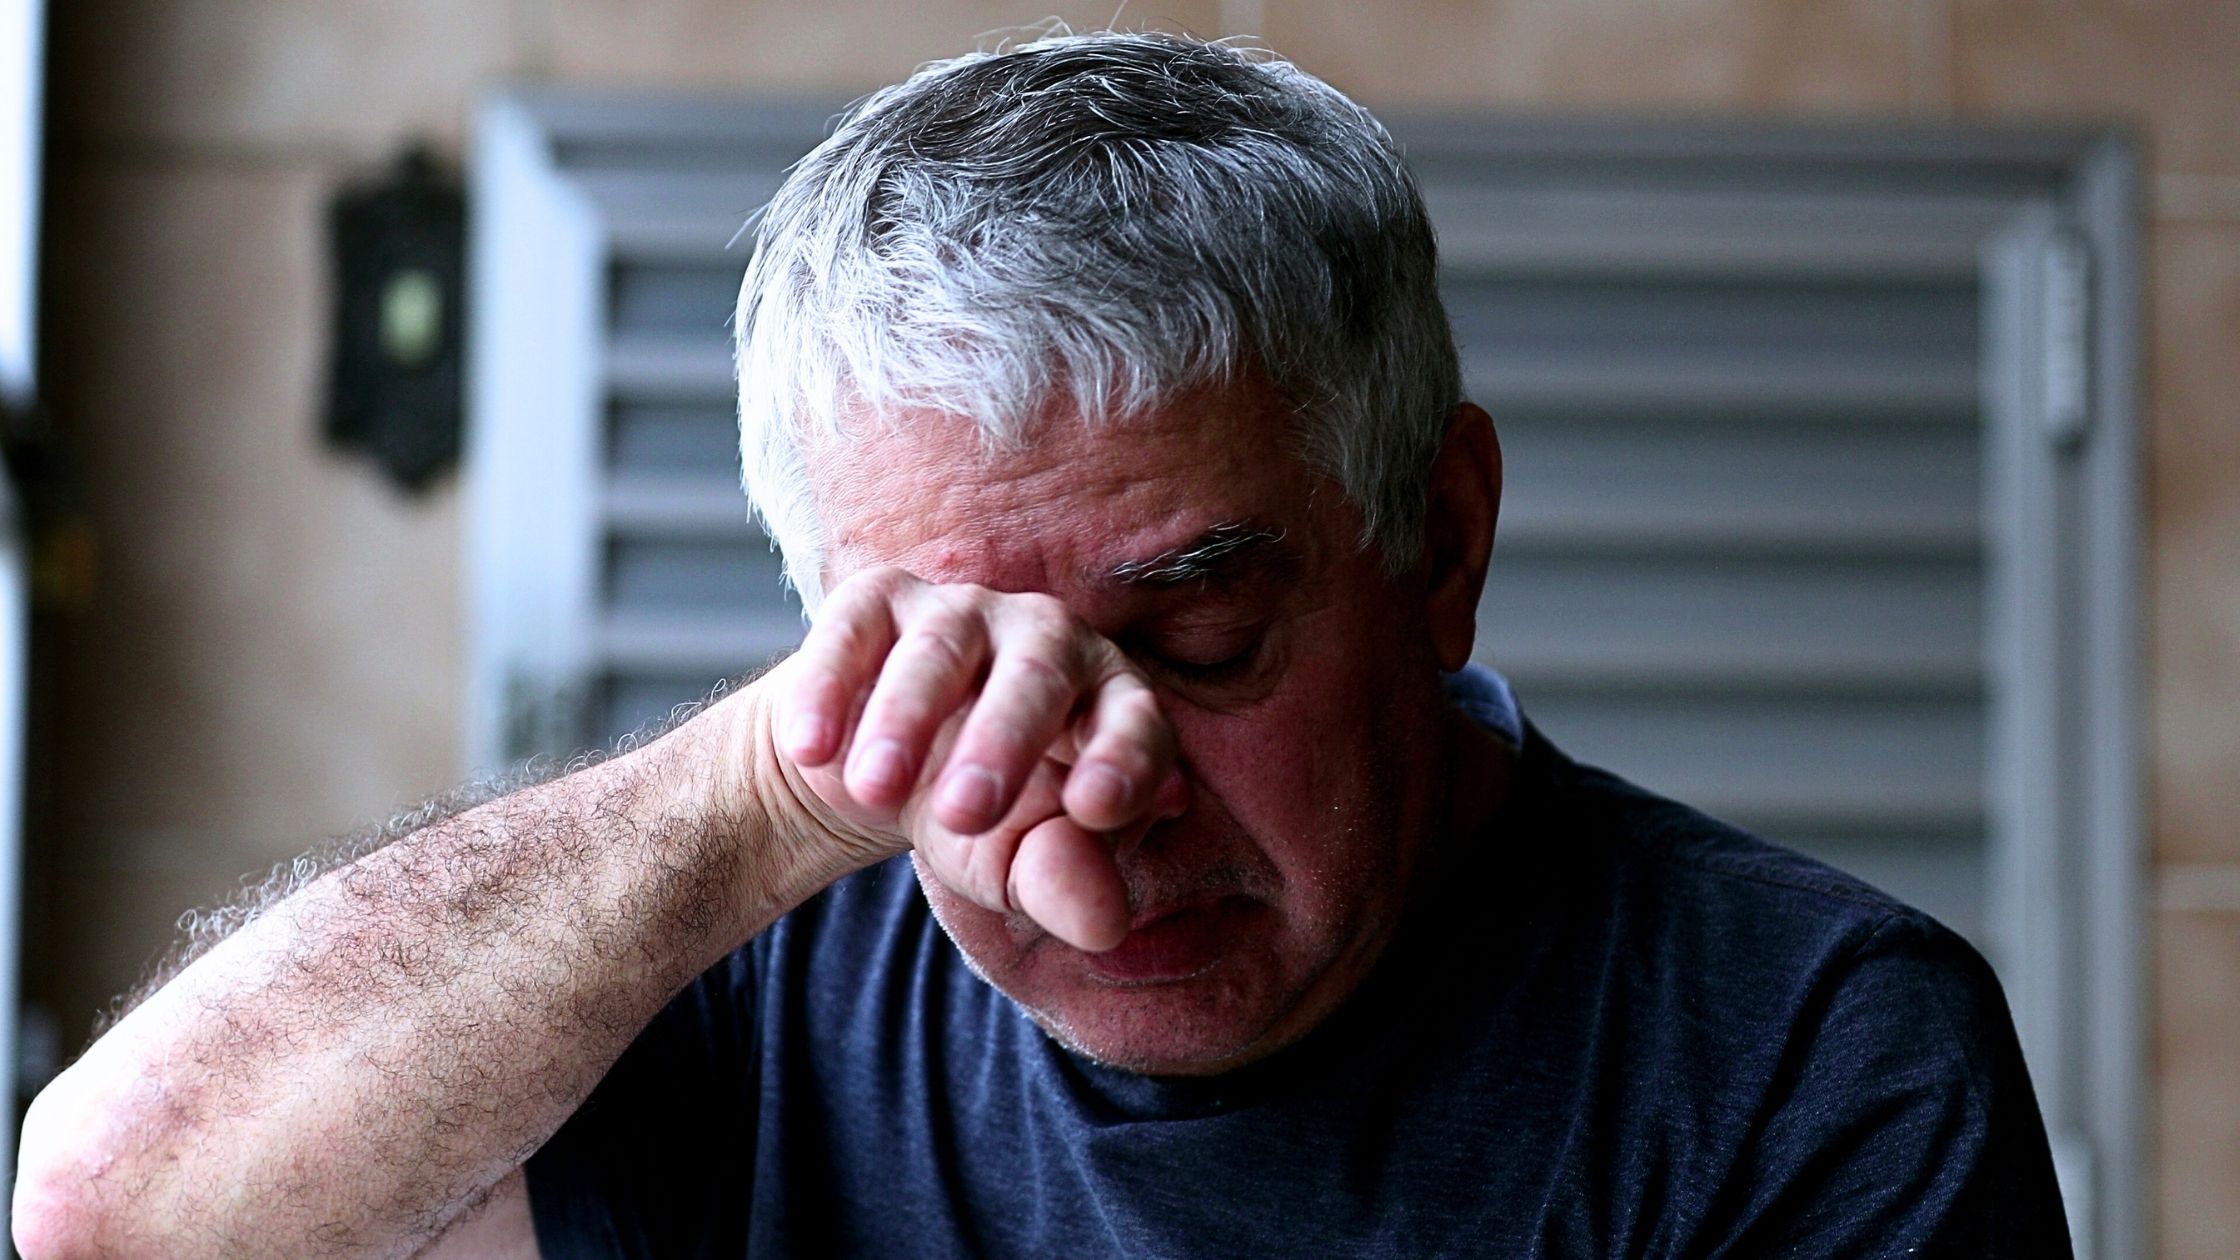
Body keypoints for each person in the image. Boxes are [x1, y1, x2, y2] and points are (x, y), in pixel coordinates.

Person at [13, 29, 2071, 1260]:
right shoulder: (737, 991)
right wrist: (764, 793)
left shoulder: (1808, 1054)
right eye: (961, 677)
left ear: (1436, 544)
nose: (1092, 827)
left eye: (1198, 641)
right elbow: (117, 1216)